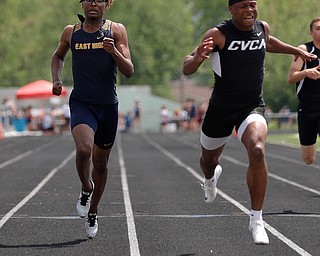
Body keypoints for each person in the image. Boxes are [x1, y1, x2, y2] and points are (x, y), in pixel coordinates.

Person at [182, 0, 317, 245]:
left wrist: (295, 51)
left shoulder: (261, 28)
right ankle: (210, 179)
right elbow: (186, 66)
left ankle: (256, 219)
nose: (249, 10)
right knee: (208, 161)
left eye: (253, 4)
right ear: (231, 9)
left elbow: (268, 42)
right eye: (243, 6)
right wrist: (198, 59)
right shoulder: (218, 34)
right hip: (221, 109)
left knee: (257, 149)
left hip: (251, 106)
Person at [51, 0, 134, 239]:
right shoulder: (71, 32)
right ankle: (87, 188)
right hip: (82, 103)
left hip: (107, 106)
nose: (93, 4)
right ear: (83, 4)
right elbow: (57, 56)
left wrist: (114, 52)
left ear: (107, 4)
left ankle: (93, 212)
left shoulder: (115, 30)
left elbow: (128, 70)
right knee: (84, 149)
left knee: (100, 164)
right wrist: (56, 80)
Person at [287, 17, 320, 165]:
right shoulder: (304, 50)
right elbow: (291, 77)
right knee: (308, 159)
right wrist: (306, 72)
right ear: (311, 32)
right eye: (318, 28)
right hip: (307, 108)